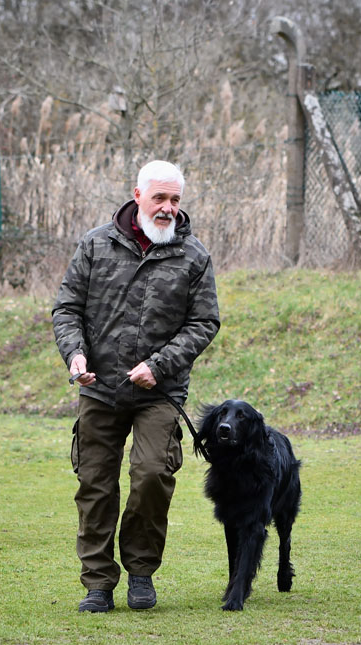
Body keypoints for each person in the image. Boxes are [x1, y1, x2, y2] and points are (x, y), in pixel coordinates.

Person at [53, 161, 220, 613]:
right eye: (160, 198)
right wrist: (76, 354)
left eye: (175, 200)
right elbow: (66, 309)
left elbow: (205, 322)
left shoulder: (194, 256)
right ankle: (98, 584)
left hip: (159, 392)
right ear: (137, 195)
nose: (168, 208)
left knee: (151, 475)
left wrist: (159, 365)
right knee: (95, 484)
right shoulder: (95, 245)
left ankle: (141, 573)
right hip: (98, 388)